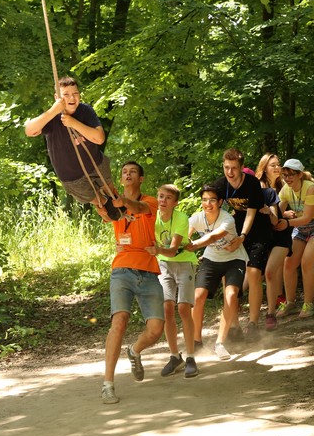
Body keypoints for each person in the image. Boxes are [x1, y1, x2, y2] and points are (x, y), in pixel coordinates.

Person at [97, 161, 165, 404]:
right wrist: (101, 202)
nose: (128, 174)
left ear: (141, 179)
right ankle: (107, 384)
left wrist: (123, 202)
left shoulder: (151, 201)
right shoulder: (113, 200)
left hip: (148, 271)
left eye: (133, 172)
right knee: (119, 321)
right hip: (122, 269)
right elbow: (103, 209)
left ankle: (134, 351)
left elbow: (139, 208)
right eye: (124, 172)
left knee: (156, 330)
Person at [24, 76, 120, 218]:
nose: (72, 98)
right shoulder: (51, 117)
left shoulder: (85, 110)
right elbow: (29, 131)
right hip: (72, 176)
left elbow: (99, 138)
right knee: (98, 201)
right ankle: (103, 205)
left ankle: (122, 211)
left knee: (113, 194)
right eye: (66, 94)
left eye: (75, 93)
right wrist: (53, 110)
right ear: (57, 97)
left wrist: (73, 123)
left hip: (96, 163)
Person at [213, 148, 274, 340]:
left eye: (234, 168)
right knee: (228, 276)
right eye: (226, 167)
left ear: (241, 168)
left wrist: (243, 236)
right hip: (235, 228)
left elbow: (251, 214)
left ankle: (253, 323)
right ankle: (234, 325)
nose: (230, 172)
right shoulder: (220, 185)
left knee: (254, 272)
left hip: (258, 230)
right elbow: (212, 210)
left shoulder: (252, 183)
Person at [183, 184, 249, 361]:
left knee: (231, 295)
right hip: (211, 258)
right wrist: (181, 243)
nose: (208, 204)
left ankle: (220, 343)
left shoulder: (227, 219)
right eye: (204, 200)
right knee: (197, 297)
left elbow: (213, 237)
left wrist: (194, 245)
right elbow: (184, 234)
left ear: (220, 202)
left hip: (235, 259)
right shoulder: (197, 218)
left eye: (212, 200)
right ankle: (196, 341)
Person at [146, 184, 199, 379]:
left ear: (175, 203)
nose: (163, 200)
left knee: (183, 308)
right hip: (164, 265)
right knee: (167, 307)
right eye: (160, 196)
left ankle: (191, 357)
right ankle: (175, 356)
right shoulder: (152, 217)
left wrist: (158, 250)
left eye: (168, 197)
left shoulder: (181, 218)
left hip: (184, 262)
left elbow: (173, 250)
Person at [278, 158, 314, 319]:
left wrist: (286, 223)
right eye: (285, 175)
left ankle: (308, 304)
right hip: (301, 227)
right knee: (289, 263)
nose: (287, 178)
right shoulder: (285, 189)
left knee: (307, 262)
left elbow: (307, 218)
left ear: (300, 175)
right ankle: (290, 302)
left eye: (291, 174)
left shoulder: (310, 188)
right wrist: (270, 215)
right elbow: (277, 210)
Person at [254, 153, 293, 331]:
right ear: (264, 168)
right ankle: (238, 299)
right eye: (273, 165)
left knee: (272, 270)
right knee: (262, 272)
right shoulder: (259, 186)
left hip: (280, 232)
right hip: (263, 234)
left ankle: (272, 310)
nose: (277, 168)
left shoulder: (283, 184)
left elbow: (291, 204)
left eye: (278, 164)